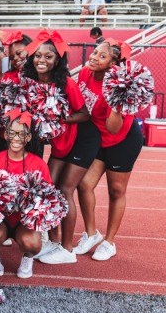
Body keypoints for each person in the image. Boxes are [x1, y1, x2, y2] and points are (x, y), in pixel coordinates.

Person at [18, 30, 93, 265]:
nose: (42, 60)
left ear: (57, 60)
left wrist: (55, 117)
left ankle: (68, 250)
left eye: (48, 56)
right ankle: (53, 242)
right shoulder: (29, 81)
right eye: (38, 55)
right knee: (48, 187)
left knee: (65, 190)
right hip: (61, 143)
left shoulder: (66, 83)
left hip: (81, 139)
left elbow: (84, 114)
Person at [75, 40, 143, 261]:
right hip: (98, 138)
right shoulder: (85, 73)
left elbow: (114, 128)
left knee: (116, 190)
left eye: (102, 56)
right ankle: (91, 233)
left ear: (113, 64)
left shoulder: (118, 86)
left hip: (122, 139)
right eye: (95, 52)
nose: (94, 57)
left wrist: (115, 101)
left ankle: (109, 242)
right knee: (84, 184)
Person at [0, 110, 47, 279]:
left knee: (33, 244)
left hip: (23, 221)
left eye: (21, 134)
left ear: (28, 138)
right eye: (12, 133)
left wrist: (32, 207)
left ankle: (27, 258)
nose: (16, 138)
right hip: (0, 219)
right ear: (5, 135)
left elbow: (47, 197)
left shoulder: (38, 164)